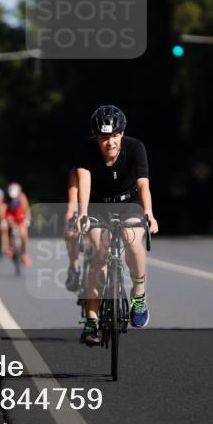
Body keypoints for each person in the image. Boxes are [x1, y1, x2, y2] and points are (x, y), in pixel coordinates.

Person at [76, 105, 159, 346]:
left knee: (132, 240)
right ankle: (91, 320)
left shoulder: (136, 147)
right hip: (98, 205)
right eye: (103, 137)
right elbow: (84, 182)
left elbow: (143, 185)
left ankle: (139, 295)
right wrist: (82, 214)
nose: (109, 142)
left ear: (122, 133)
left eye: (114, 136)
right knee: (98, 255)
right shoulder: (86, 150)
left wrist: (149, 214)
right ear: (96, 137)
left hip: (128, 203)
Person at [4, 182, 31, 267]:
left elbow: (26, 208)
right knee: (7, 229)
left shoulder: (22, 197)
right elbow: (4, 209)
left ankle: (24, 254)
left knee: (23, 234)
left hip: (20, 218)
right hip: (10, 216)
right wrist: (5, 219)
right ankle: (9, 247)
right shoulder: (7, 198)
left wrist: (28, 218)